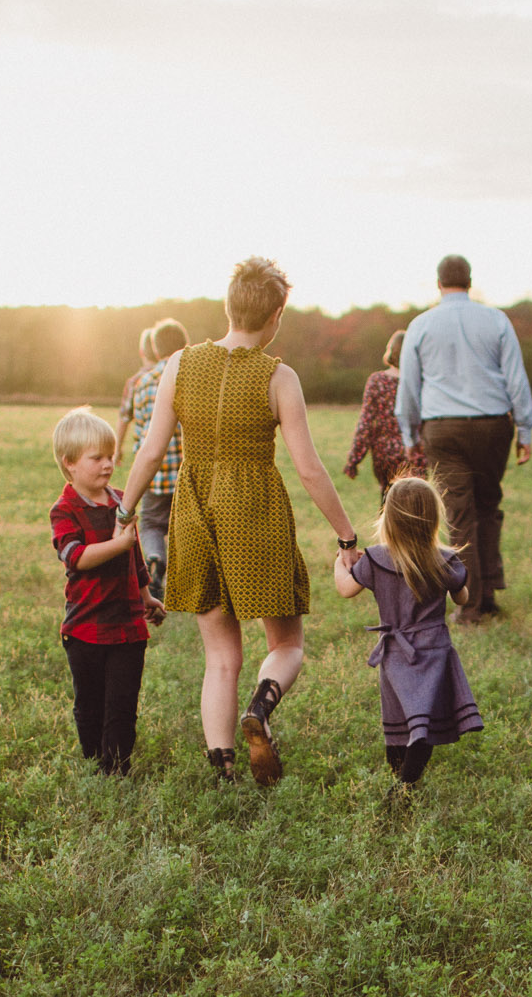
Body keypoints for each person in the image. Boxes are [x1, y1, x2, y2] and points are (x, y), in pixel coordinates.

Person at [117, 257, 360, 786]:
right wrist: (346, 535)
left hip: (195, 507)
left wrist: (124, 510)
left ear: (229, 308)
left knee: (220, 655)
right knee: (286, 644)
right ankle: (261, 707)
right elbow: (310, 469)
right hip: (255, 512)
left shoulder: (178, 365)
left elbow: (151, 448)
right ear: (275, 316)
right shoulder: (279, 376)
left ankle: (222, 767)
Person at [395, 253, 532, 625]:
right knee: (488, 506)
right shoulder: (496, 320)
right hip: (493, 426)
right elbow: (515, 379)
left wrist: (409, 433)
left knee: (459, 512)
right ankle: (488, 594)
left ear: (439, 283)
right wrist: (526, 429)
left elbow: (409, 385)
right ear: (470, 281)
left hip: (443, 429)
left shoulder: (421, 325)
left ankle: (469, 607)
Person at [332, 475, 481, 796]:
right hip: (434, 649)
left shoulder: (375, 559)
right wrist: (459, 589)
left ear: (388, 517)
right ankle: (407, 781)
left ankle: (401, 778)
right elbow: (463, 598)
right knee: (422, 719)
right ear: (433, 518)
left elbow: (345, 589)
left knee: (399, 717)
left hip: (395, 653)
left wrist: (339, 563)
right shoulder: (443, 559)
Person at [49, 407, 164, 775]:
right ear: (69, 464)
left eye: (111, 456)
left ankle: (116, 769)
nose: (107, 464)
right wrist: (118, 543)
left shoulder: (120, 501)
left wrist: (147, 596)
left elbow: (135, 555)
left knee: (122, 704)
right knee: (90, 704)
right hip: (85, 628)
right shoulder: (64, 510)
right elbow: (76, 558)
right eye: (96, 458)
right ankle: (94, 760)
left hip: (128, 625)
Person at [123, 318, 188, 580]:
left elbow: (141, 434)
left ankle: (155, 557)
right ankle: (187, 574)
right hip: (187, 473)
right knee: (185, 526)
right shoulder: (192, 376)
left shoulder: (143, 382)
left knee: (150, 523)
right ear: (186, 345)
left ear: (156, 349)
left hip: (155, 473)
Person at [342, 329, 424, 500]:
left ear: (390, 351)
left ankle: (388, 526)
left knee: (388, 502)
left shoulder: (377, 381)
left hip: (385, 455)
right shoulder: (421, 381)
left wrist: (354, 460)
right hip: (416, 451)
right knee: (418, 504)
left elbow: (365, 423)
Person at [114, 327, 157, 461]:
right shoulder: (174, 377)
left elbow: (124, 419)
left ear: (141, 352)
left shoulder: (134, 382)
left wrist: (117, 450)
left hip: (144, 452)